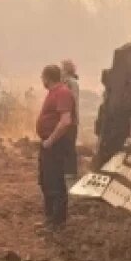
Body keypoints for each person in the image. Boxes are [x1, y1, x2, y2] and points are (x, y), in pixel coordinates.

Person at [36, 63, 77, 229]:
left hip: (55, 144)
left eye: (42, 77)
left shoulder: (62, 93)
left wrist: (50, 140)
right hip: (49, 143)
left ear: (47, 77)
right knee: (45, 180)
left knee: (54, 181)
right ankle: (50, 218)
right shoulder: (54, 92)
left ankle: (57, 221)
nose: (41, 81)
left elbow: (65, 121)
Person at [60, 59, 81, 188]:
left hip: (70, 119)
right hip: (67, 118)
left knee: (69, 145)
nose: (60, 70)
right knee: (65, 144)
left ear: (67, 70)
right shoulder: (67, 82)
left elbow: (71, 101)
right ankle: (67, 170)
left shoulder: (71, 83)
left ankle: (71, 171)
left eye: (62, 68)